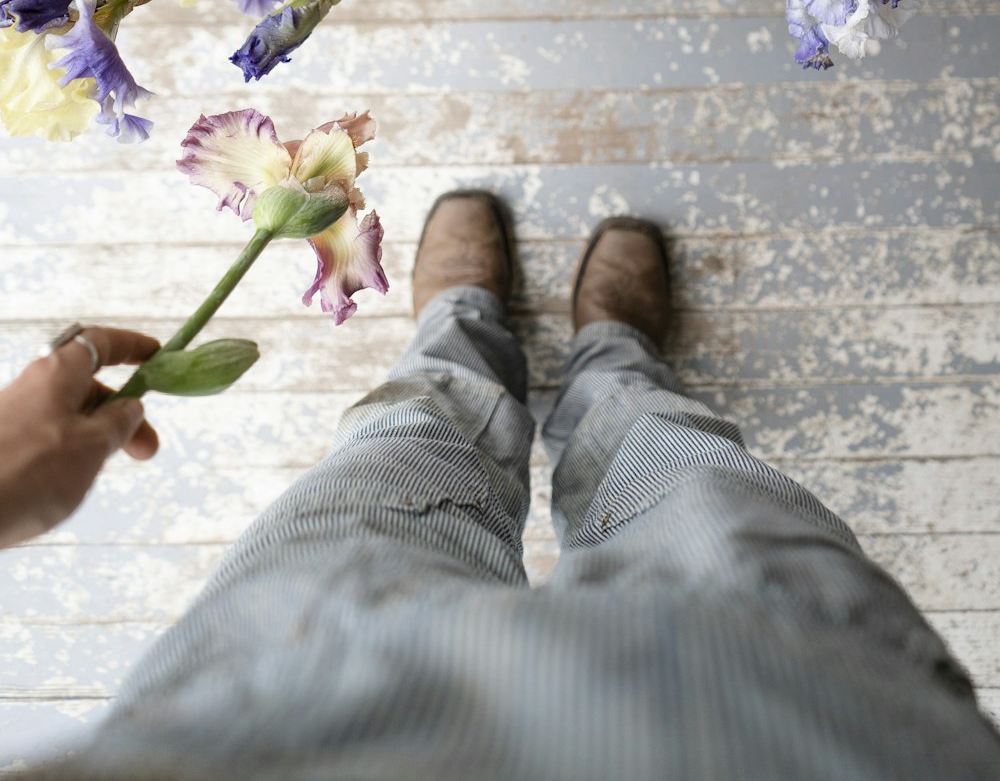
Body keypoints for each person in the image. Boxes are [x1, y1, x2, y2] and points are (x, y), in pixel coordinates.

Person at [6, 193, 999, 780]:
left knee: (392, 467)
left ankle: (461, 343)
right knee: (692, 487)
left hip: (254, 724)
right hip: (789, 720)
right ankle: (615, 365)